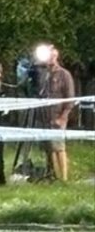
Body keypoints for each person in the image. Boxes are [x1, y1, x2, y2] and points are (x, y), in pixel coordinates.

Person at [40, 46, 75, 182]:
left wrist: (63, 117)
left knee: (59, 147)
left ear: (56, 57)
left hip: (58, 116)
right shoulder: (45, 75)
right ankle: (54, 175)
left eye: (52, 56)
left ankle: (64, 178)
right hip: (46, 117)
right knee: (50, 148)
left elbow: (70, 98)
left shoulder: (64, 75)